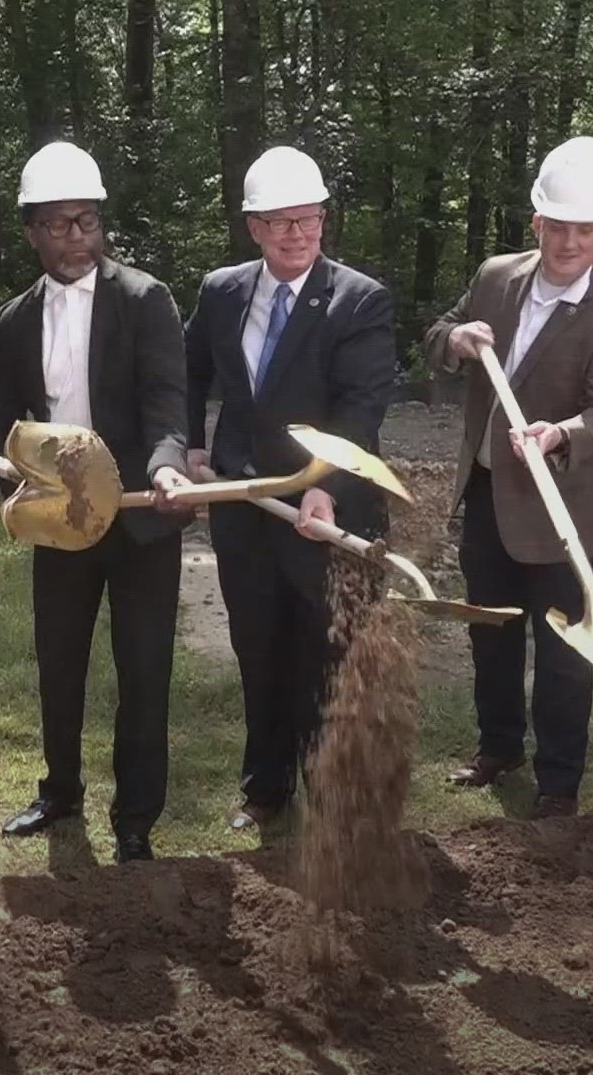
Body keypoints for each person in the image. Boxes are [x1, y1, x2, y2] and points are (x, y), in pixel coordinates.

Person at [423, 136, 593, 819]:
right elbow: (439, 332)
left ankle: (558, 785)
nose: (570, 242)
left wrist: (560, 434)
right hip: (490, 489)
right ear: (538, 224)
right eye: (559, 227)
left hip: (566, 508)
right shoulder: (497, 276)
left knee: (561, 652)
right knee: (489, 630)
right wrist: (457, 342)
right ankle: (498, 747)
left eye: (586, 229)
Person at [0, 143, 191, 862]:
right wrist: (23, 488)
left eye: (88, 222)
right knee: (59, 663)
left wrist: (166, 469)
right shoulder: (14, 320)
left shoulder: (145, 300)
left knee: (143, 670)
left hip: (139, 521)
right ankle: (60, 792)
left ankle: (135, 819)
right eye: (60, 224)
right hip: (60, 524)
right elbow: (2, 424)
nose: (76, 238)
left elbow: (170, 409)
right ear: (32, 230)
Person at [184, 145, 397, 831]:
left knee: (326, 649)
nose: (296, 234)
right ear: (254, 227)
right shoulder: (222, 291)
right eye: (280, 222)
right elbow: (185, 373)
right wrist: (190, 440)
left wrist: (326, 487)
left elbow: (361, 407)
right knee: (259, 644)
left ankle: (332, 787)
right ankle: (266, 787)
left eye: (307, 220)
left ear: (323, 219)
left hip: (325, 507)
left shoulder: (357, 300)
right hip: (245, 506)